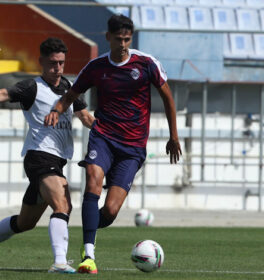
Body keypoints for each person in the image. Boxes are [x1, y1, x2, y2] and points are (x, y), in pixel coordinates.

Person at [45, 14, 182, 274]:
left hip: (132, 147)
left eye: (127, 39)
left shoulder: (146, 64)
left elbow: (167, 97)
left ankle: (89, 228)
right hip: (104, 136)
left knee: (110, 209)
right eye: (118, 39)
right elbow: (72, 94)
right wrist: (56, 109)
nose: (122, 44)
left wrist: (173, 136)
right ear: (107, 37)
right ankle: (89, 255)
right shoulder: (96, 67)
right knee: (93, 178)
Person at [0, 38, 94, 274]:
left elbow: (86, 118)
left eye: (62, 63)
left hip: (56, 161)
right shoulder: (30, 88)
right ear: (41, 62)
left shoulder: (69, 87)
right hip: (39, 157)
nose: (58, 68)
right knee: (63, 204)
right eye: (53, 63)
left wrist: (114, 135)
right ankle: (59, 262)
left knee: (25, 223)